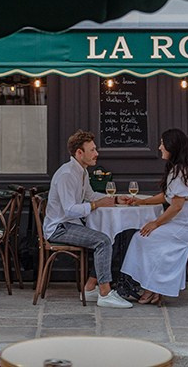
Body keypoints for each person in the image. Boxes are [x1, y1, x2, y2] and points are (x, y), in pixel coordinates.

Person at [43, 129, 133, 308]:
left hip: (71, 225)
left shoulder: (81, 171)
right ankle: (105, 293)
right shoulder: (67, 174)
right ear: (79, 153)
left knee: (110, 238)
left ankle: (90, 287)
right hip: (59, 228)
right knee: (103, 241)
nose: (97, 153)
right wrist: (96, 206)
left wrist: (114, 199)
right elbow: (69, 210)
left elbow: (90, 195)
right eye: (92, 150)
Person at [120, 127, 188, 304]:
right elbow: (167, 196)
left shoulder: (182, 171)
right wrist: (140, 202)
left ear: (172, 147)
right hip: (181, 221)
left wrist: (156, 223)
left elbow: (176, 207)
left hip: (187, 225)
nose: (159, 147)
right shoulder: (177, 169)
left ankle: (152, 287)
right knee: (143, 238)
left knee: (143, 237)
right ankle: (153, 287)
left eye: (162, 144)